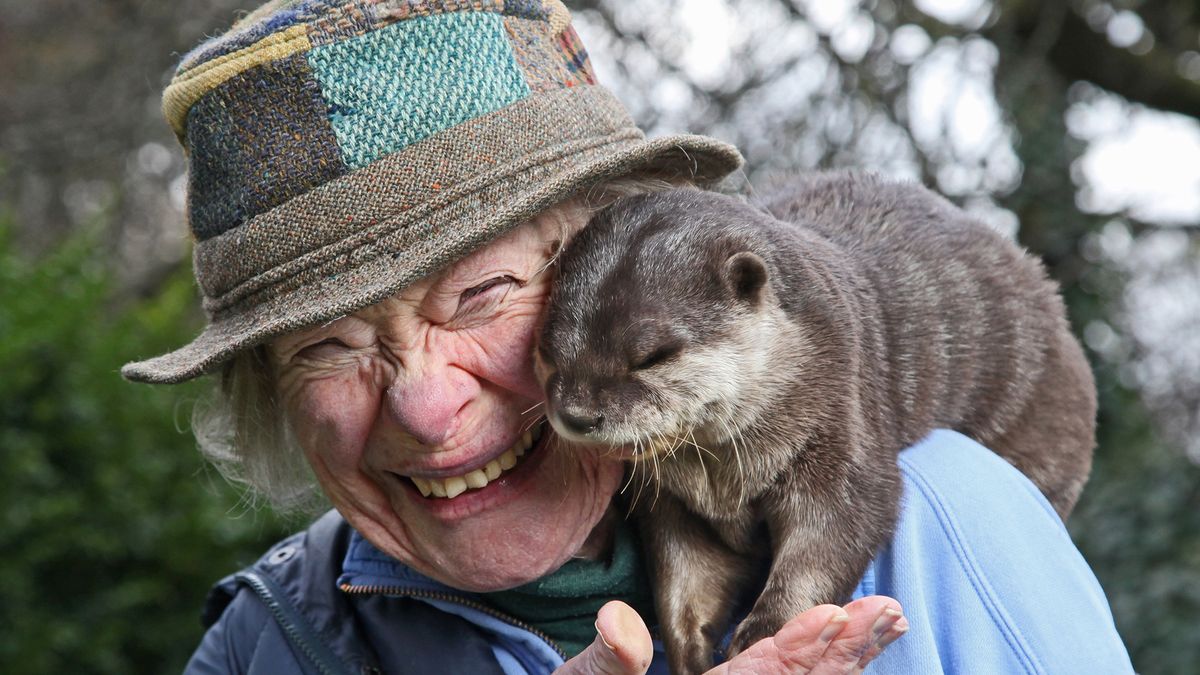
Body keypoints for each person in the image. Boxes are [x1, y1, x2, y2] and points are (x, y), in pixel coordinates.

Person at [123, 1, 1134, 673]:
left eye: (480, 297)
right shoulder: (272, 643)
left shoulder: (946, 528)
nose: (426, 413)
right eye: (328, 348)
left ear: (615, 260)